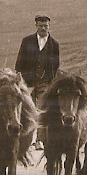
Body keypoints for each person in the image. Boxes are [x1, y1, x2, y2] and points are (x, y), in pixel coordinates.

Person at [15, 14, 60, 149]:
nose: (43, 28)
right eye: (40, 26)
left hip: (45, 83)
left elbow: (56, 65)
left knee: (41, 110)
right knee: (26, 109)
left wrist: (50, 81)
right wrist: (20, 76)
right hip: (27, 82)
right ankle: (24, 139)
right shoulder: (27, 41)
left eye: (45, 26)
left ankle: (39, 140)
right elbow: (20, 60)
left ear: (49, 26)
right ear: (36, 26)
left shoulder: (54, 45)